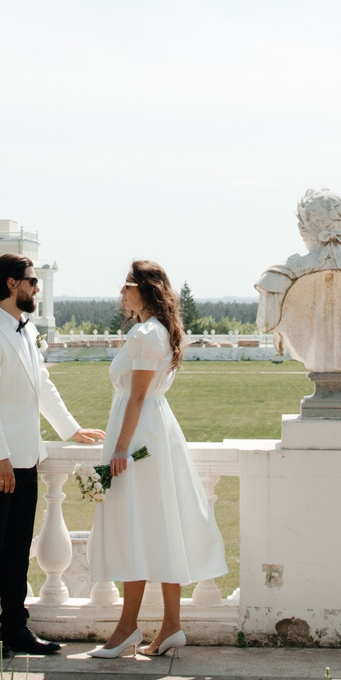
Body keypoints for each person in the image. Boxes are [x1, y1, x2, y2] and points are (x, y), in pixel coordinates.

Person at [0, 253, 103, 659]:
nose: (37, 287)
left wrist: (70, 430)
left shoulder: (25, 329)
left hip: (25, 456)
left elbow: (44, 388)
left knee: (19, 544)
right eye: (32, 281)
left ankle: (15, 628)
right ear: (11, 284)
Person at [91, 261, 227, 658]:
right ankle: (169, 626)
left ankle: (128, 628)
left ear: (146, 290)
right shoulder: (154, 332)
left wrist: (119, 448)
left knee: (136, 522)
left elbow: (136, 396)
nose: (121, 293)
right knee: (160, 523)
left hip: (139, 437)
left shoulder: (147, 333)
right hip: (151, 432)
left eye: (127, 286)